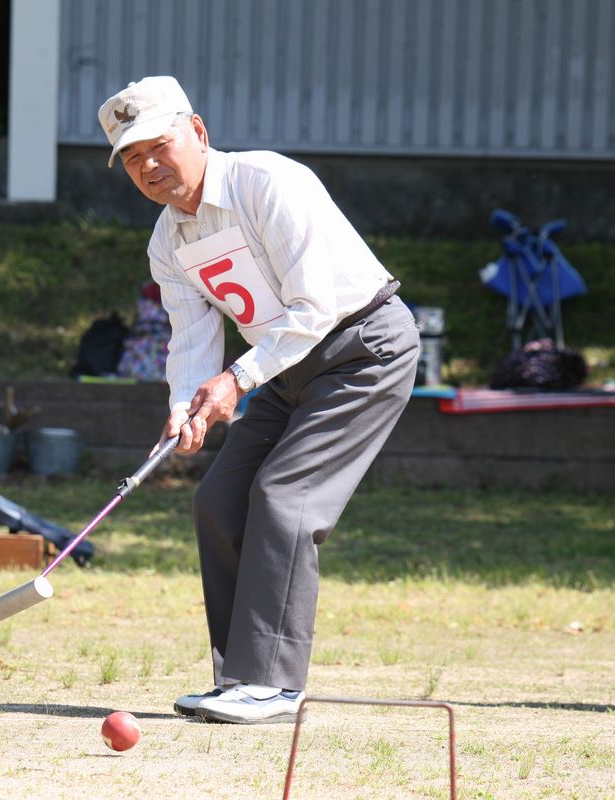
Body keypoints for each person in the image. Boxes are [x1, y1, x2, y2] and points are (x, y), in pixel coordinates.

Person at [98, 76, 419, 723]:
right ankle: (240, 678)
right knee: (219, 499)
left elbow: (313, 307)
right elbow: (191, 336)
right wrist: (185, 402)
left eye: (159, 146)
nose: (150, 167)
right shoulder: (168, 240)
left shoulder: (267, 183)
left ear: (199, 132)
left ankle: (274, 685)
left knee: (285, 499)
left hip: (364, 348)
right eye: (132, 159)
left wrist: (236, 381)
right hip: (284, 368)